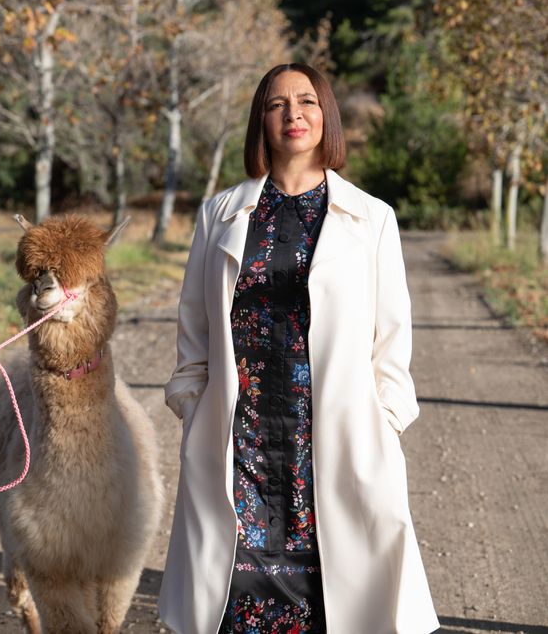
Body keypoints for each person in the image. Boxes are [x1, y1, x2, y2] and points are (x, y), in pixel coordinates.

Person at [158, 62, 440, 633]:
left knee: (338, 597)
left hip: (336, 435)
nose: (294, 114)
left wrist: (384, 422)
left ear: (325, 114)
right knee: (236, 595)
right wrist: (193, 408)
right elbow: (194, 328)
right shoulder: (219, 214)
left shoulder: (372, 218)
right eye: (277, 104)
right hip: (242, 437)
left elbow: (392, 339)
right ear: (261, 121)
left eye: (307, 101)